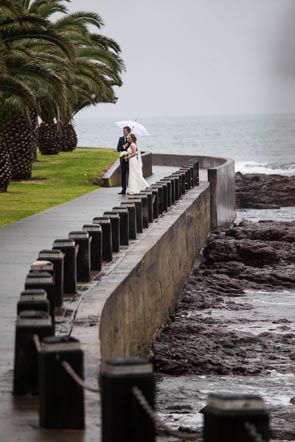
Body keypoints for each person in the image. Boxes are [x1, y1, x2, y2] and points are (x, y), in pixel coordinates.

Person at [117, 126, 131, 194]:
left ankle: (130, 188)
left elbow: (134, 149)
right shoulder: (121, 139)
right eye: (123, 130)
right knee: (123, 173)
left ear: (128, 131)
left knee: (130, 174)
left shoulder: (131, 139)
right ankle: (123, 189)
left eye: (124, 131)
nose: (123, 132)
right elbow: (118, 149)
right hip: (122, 159)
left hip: (130, 159)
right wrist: (124, 146)